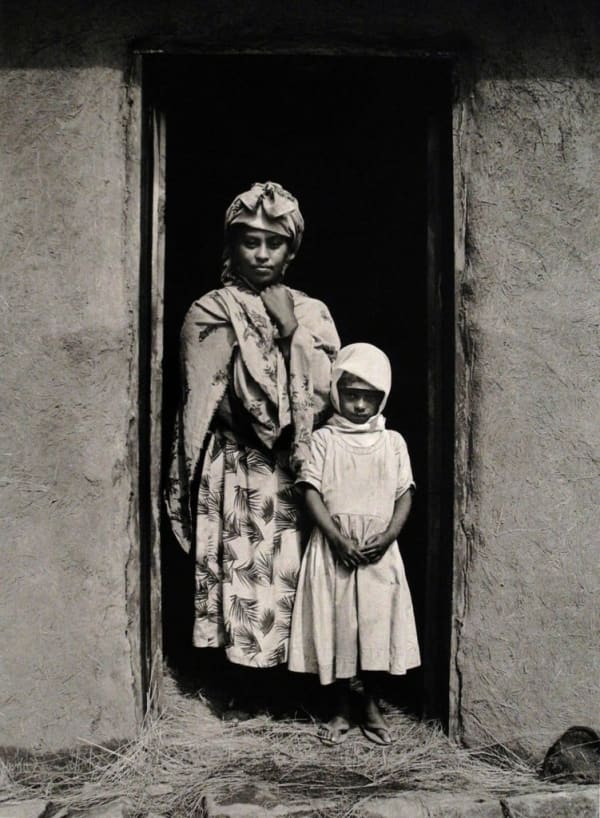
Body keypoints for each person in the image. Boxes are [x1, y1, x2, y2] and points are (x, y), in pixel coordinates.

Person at [165, 182, 340, 684]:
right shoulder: (211, 311)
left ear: (291, 250)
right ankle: (241, 684)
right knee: (243, 569)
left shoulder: (312, 314)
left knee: (289, 572)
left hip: (297, 471)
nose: (262, 253)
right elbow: (206, 399)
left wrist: (289, 331)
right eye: (250, 241)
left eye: (274, 242)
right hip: (239, 465)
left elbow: (329, 393)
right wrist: (268, 434)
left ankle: (291, 681)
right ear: (232, 244)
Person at [288, 342, 420, 745]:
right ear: (336, 392)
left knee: (376, 629)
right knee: (339, 627)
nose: (360, 405)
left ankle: (372, 706)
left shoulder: (392, 441)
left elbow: (405, 492)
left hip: (379, 552)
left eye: (370, 396)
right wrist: (336, 538)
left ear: (383, 397)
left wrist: (390, 535)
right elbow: (309, 489)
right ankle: (341, 709)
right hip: (335, 549)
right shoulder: (325, 439)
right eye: (351, 394)